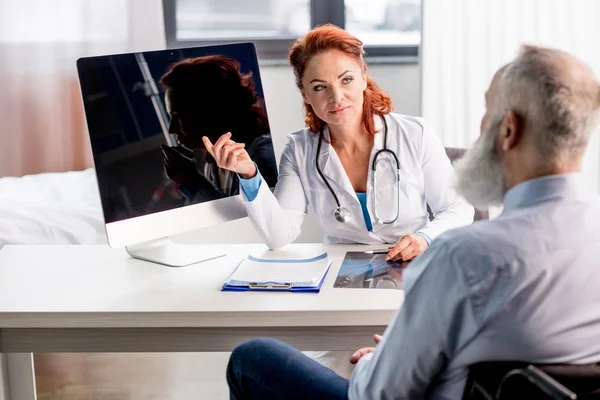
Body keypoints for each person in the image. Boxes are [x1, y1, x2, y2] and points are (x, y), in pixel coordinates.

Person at [225, 44, 600, 399]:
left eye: (487, 112)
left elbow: (379, 392)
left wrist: (377, 361)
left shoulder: (459, 257)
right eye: (320, 86)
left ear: (508, 130)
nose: (336, 96)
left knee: (252, 357)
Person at [204, 24, 474, 263]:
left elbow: (457, 209)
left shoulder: (415, 134)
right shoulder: (299, 150)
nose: (336, 97)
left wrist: (425, 237)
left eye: (346, 80)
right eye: (320, 87)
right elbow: (278, 236)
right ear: (305, 93)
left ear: (363, 76)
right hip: (342, 271)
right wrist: (249, 175)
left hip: (417, 262)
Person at [159, 55, 278, 204]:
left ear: (211, 109)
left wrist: (191, 182)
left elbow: (252, 220)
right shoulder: (213, 164)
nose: (172, 129)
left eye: (179, 116)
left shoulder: (262, 154)